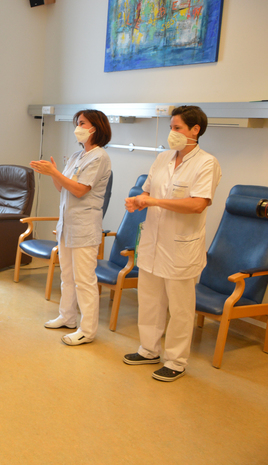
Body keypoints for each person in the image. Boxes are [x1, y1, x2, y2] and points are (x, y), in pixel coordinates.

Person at [123, 105, 221, 382]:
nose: (172, 133)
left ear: (195, 130)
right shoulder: (163, 158)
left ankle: (176, 361)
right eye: (171, 128)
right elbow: (147, 192)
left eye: (177, 128)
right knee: (149, 300)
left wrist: (154, 201)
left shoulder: (207, 163)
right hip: (153, 241)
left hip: (181, 247)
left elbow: (197, 205)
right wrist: (137, 201)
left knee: (180, 308)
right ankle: (148, 350)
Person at [31, 109, 112, 346]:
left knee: (84, 280)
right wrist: (53, 173)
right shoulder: (77, 155)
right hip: (67, 225)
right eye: (77, 122)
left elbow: (80, 190)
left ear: (95, 127)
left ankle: (87, 330)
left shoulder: (99, 157)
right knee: (67, 275)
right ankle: (67, 317)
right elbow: (62, 188)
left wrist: (55, 172)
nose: (78, 127)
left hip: (85, 227)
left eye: (82, 123)